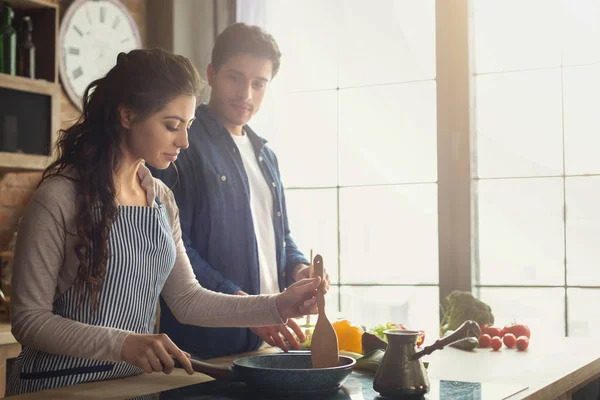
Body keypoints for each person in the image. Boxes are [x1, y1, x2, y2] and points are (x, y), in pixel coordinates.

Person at [6, 48, 322, 396]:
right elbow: (29, 319)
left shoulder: (160, 198)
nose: (184, 141)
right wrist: (124, 344)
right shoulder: (58, 197)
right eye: (171, 126)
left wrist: (278, 304)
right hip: (57, 388)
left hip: (134, 387)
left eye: (187, 126)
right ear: (127, 115)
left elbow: (187, 299)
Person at [149, 22, 330, 360]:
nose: (246, 94)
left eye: (258, 83)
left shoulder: (266, 155)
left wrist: (299, 269)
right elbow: (172, 246)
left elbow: (279, 237)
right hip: (201, 351)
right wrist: (246, 305)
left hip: (265, 347)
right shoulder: (180, 144)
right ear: (211, 74)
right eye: (235, 77)